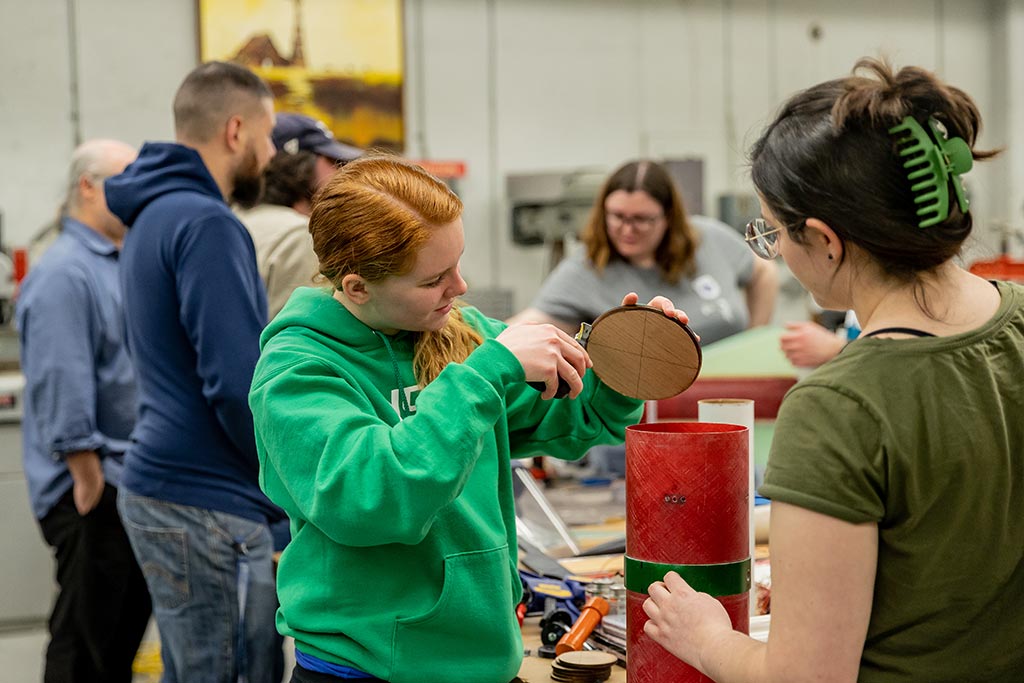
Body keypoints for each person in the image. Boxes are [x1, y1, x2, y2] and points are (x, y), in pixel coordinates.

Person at [642, 58, 1024, 682]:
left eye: (773, 233)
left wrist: (705, 637)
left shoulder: (839, 407)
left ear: (824, 240)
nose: (776, 252)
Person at [247, 155, 690, 683]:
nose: (458, 287)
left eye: (457, 263)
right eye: (434, 279)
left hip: (486, 661)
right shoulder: (298, 372)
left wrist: (627, 363)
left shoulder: (459, 334)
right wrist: (484, 375)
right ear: (358, 286)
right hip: (364, 670)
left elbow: (580, 415)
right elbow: (378, 499)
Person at [104, 61, 286, 682]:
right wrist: (285, 482)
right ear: (236, 131)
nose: (271, 153)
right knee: (232, 672)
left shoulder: (152, 215)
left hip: (163, 487)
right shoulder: (208, 223)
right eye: (267, 136)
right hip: (209, 500)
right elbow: (237, 384)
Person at [16, 139, 151, 683]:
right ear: (88, 187)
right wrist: (86, 473)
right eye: (124, 178)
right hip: (91, 488)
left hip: (119, 479)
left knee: (114, 641)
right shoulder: (66, 272)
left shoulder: (113, 262)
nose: (137, 191)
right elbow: (62, 378)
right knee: (84, 648)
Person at [509, 159, 778, 344]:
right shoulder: (585, 269)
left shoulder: (707, 238)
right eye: (617, 216)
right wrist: (487, 340)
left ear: (668, 217)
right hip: (650, 405)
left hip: (731, 389)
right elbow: (530, 324)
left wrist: (754, 339)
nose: (627, 229)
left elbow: (764, 272)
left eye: (641, 219)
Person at [237, 112, 363, 319]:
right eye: (333, 161)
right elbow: (297, 328)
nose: (341, 173)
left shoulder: (239, 217)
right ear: (300, 164)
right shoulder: (299, 235)